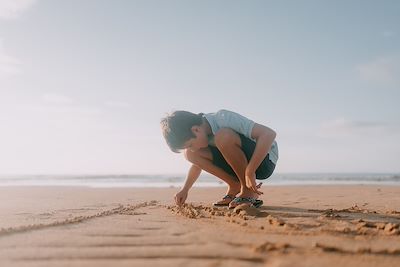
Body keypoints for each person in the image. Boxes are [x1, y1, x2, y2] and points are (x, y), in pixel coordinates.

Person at [160, 109, 278, 209]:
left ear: (196, 130)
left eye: (190, 144)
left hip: (264, 161)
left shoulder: (223, 118)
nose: (193, 149)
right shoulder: (203, 135)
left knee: (223, 136)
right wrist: (184, 189)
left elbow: (268, 134)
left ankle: (248, 191)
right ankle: (234, 185)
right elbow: (197, 165)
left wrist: (250, 170)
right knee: (189, 155)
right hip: (240, 164)